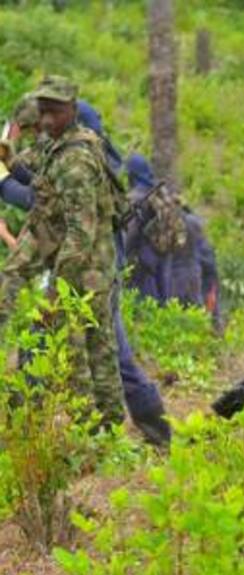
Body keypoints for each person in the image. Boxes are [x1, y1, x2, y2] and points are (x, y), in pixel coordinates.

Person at [0, 90, 170, 445]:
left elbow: (38, 198)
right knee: (105, 349)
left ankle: (26, 432)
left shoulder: (76, 157)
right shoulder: (73, 148)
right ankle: (150, 428)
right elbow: (42, 184)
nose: (37, 133)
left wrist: (4, 181)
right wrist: (12, 165)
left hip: (90, 262)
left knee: (60, 344)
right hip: (93, 259)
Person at [0, 76, 125, 429]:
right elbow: (28, 164)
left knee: (87, 348)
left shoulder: (77, 162)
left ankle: (103, 427)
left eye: (55, 112)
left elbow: (80, 236)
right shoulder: (54, 144)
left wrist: (57, 290)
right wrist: (7, 153)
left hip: (88, 267)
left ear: (72, 110)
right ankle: (97, 426)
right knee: (80, 345)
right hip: (66, 254)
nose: (48, 119)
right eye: (43, 112)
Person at [124, 152, 222, 328]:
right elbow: (208, 262)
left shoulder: (136, 201)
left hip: (148, 275)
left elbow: (127, 242)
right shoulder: (167, 200)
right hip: (184, 272)